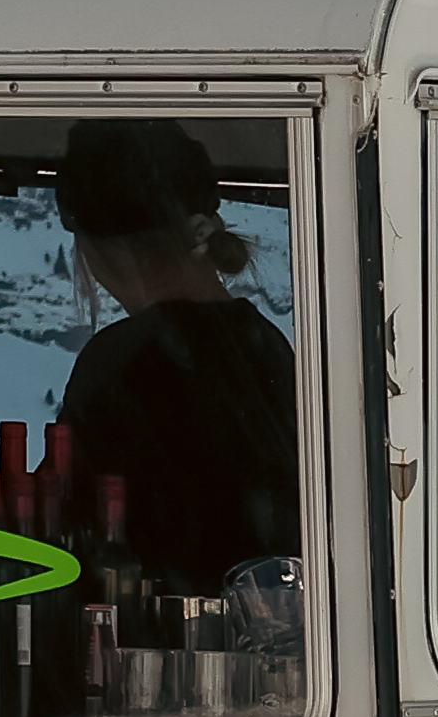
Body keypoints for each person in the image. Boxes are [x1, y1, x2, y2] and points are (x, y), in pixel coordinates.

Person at [57, 116, 298, 592]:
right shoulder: (267, 346)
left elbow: (67, 529)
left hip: (155, 643)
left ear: (101, 251)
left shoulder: (119, 363)